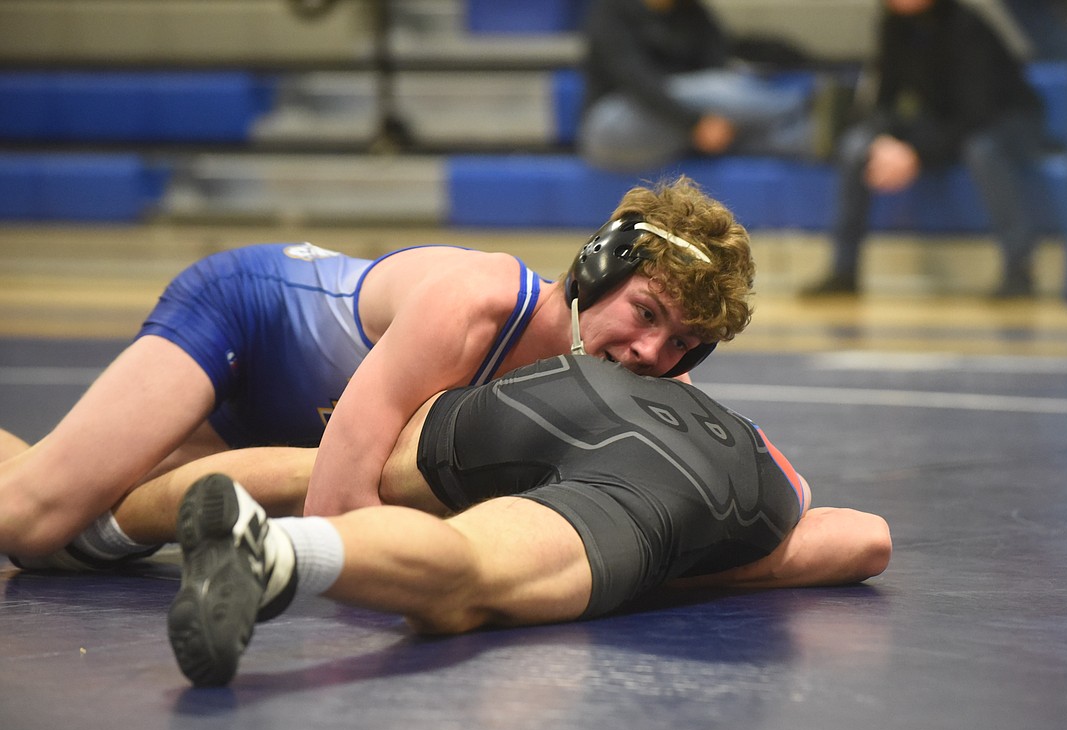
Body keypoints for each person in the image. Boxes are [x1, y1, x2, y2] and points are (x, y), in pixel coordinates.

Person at [0, 176, 755, 567]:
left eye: (686, 342)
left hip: (295, 428)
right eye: (649, 312)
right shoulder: (480, 302)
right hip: (245, 323)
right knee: (30, 524)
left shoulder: (653, 382)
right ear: (600, 265)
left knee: (81, 542)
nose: (653, 354)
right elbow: (334, 503)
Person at [164, 353, 892, 687]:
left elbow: (355, 459)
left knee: (321, 468)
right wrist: (678, 569)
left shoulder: (560, 338)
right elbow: (865, 539)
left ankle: (100, 521)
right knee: (469, 578)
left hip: (540, 392)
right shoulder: (762, 474)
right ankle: (276, 555)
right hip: (652, 480)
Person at [801, 0, 1046, 299]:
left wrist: (916, 152)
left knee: (982, 149)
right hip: (941, 122)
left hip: (1006, 120)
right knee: (856, 145)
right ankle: (844, 270)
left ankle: (1020, 268)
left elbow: (976, 113)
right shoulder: (893, 26)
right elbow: (886, 100)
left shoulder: (966, 26)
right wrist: (885, 141)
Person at [578, 0, 829, 172]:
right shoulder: (612, 12)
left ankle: (818, 133)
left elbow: (720, 64)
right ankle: (807, 101)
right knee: (710, 90)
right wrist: (696, 123)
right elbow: (639, 83)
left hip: (674, 132)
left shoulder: (693, 13)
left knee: (746, 129)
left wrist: (706, 124)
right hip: (612, 129)